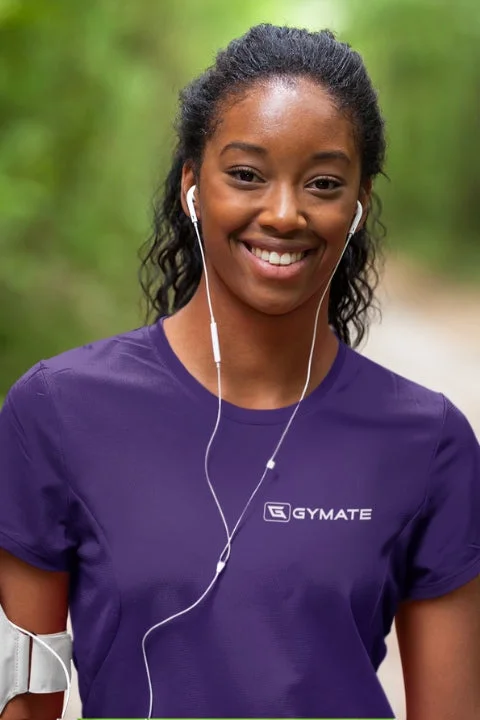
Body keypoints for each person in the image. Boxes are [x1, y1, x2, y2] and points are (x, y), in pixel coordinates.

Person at [0, 22, 479, 720]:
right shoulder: (56, 412)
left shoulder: (430, 443)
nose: (284, 214)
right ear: (194, 185)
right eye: (247, 174)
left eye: (322, 183)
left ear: (358, 205)